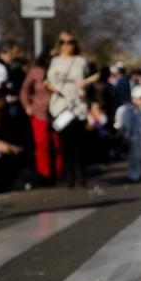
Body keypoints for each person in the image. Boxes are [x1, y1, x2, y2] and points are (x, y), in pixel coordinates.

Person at [45, 31, 90, 188]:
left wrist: (85, 86)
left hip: (77, 106)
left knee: (80, 144)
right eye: (63, 42)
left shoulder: (81, 61)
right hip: (61, 106)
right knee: (65, 144)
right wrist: (52, 87)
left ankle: (81, 176)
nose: (66, 45)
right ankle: (69, 176)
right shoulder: (55, 61)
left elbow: (88, 79)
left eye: (70, 42)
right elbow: (48, 81)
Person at [20, 51, 62, 184]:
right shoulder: (36, 72)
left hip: (58, 112)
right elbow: (24, 90)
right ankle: (44, 174)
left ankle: (59, 173)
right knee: (42, 143)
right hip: (39, 112)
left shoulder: (59, 71)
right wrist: (27, 106)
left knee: (57, 143)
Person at [115, 85, 141, 182]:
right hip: (134, 137)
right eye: (138, 99)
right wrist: (125, 135)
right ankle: (134, 174)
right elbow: (123, 123)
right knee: (134, 157)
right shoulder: (128, 109)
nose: (140, 101)